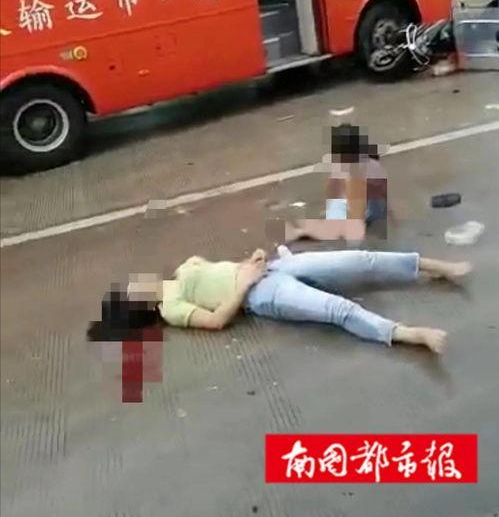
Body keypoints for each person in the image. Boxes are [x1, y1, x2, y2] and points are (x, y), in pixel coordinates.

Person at [87, 246, 472, 354]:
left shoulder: (179, 273)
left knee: (360, 260)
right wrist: (245, 283)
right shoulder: (171, 310)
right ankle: (409, 334)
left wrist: (249, 262)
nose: (136, 283)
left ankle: (439, 267)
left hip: (271, 268)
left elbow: (222, 270)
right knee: (338, 309)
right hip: (262, 293)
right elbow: (218, 319)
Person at [285, 124, 388, 243]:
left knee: (338, 226)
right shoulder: (364, 165)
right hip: (367, 211)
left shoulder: (356, 172)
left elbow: (356, 208)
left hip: (365, 213)